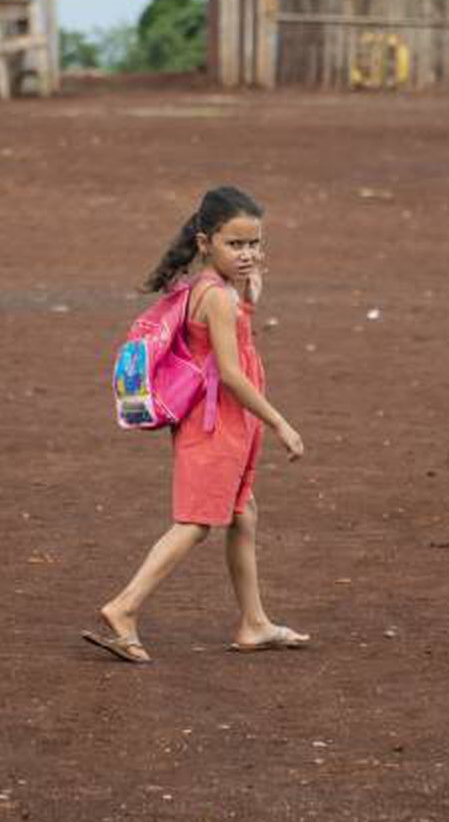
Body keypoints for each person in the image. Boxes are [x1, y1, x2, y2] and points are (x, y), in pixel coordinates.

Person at [83, 186, 310, 664]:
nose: (247, 253)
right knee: (195, 523)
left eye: (254, 244)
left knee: (242, 512)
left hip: (225, 421)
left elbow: (229, 343)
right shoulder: (215, 297)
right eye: (236, 244)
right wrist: (279, 422)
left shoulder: (214, 290)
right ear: (206, 242)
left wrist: (247, 297)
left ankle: (253, 622)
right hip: (216, 422)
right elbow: (229, 374)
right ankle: (124, 608)